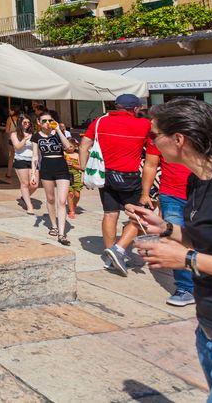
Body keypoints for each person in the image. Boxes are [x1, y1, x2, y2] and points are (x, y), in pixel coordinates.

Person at [126, 99, 212, 398]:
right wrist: (167, 229)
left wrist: (186, 259)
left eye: (154, 135)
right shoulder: (197, 183)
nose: (152, 143)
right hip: (210, 330)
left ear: (179, 139)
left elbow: (197, 253)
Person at [80, 93, 151, 276]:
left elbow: (84, 145)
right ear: (135, 109)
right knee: (138, 216)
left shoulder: (100, 122)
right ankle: (118, 250)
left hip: (105, 175)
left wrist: (83, 169)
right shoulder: (143, 124)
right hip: (128, 177)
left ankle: (110, 255)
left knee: (110, 214)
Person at [142, 135, 196, 307]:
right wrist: (145, 193)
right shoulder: (158, 138)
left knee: (206, 238)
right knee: (174, 239)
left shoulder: (199, 131)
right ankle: (186, 288)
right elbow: (150, 165)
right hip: (171, 195)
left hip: (201, 193)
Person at [33, 112, 75, 245]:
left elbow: (69, 148)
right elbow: (35, 156)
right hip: (46, 167)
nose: (47, 123)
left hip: (61, 166)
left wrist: (58, 130)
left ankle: (62, 234)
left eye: (49, 120)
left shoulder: (58, 133)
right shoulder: (36, 136)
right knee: (51, 199)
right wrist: (34, 173)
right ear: (39, 123)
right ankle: (54, 225)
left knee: (62, 201)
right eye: (44, 121)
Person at [10, 115, 37, 214]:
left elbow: (35, 150)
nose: (27, 124)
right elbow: (17, 147)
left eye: (28, 123)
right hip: (20, 160)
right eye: (25, 122)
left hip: (32, 160)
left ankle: (24, 197)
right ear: (20, 123)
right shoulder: (14, 134)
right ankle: (29, 206)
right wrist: (25, 139)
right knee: (25, 183)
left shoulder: (33, 134)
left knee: (34, 184)